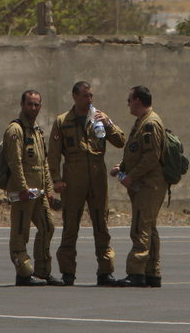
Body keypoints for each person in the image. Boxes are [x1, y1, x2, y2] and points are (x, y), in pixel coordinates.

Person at [47, 81, 125, 286]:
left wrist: (107, 124)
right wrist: (56, 179)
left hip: (97, 176)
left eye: (91, 96)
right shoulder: (63, 121)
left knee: (102, 224)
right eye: (85, 96)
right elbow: (54, 154)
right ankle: (68, 272)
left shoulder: (99, 117)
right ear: (74, 96)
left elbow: (120, 141)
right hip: (73, 177)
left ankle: (105, 271)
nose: (89, 100)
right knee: (70, 225)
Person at [110, 85, 167, 288]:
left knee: (140, 226)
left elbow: (152, 157)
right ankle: (152, 272)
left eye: (129, 100)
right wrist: (122, 167)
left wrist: (131, 177)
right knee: (148, 226)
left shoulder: (150, 124)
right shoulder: (141, 123)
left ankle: (136, 272)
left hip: (149, 184)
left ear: (138, 101)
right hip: (142, 183)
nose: (128, 104)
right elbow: (136, 151)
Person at [6, 90, 61, 286]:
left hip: (38, 192)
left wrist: (48, 189)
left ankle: (43, 271)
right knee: (21, 232)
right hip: (24, 193)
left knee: (48, 227)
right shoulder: (15, 130)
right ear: (22, 104)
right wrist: (22, 189)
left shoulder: (37, 130)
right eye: (30, 104)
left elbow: (43, 162)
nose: (33, 108)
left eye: (37, 104)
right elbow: (15, 163)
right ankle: (23, 272)